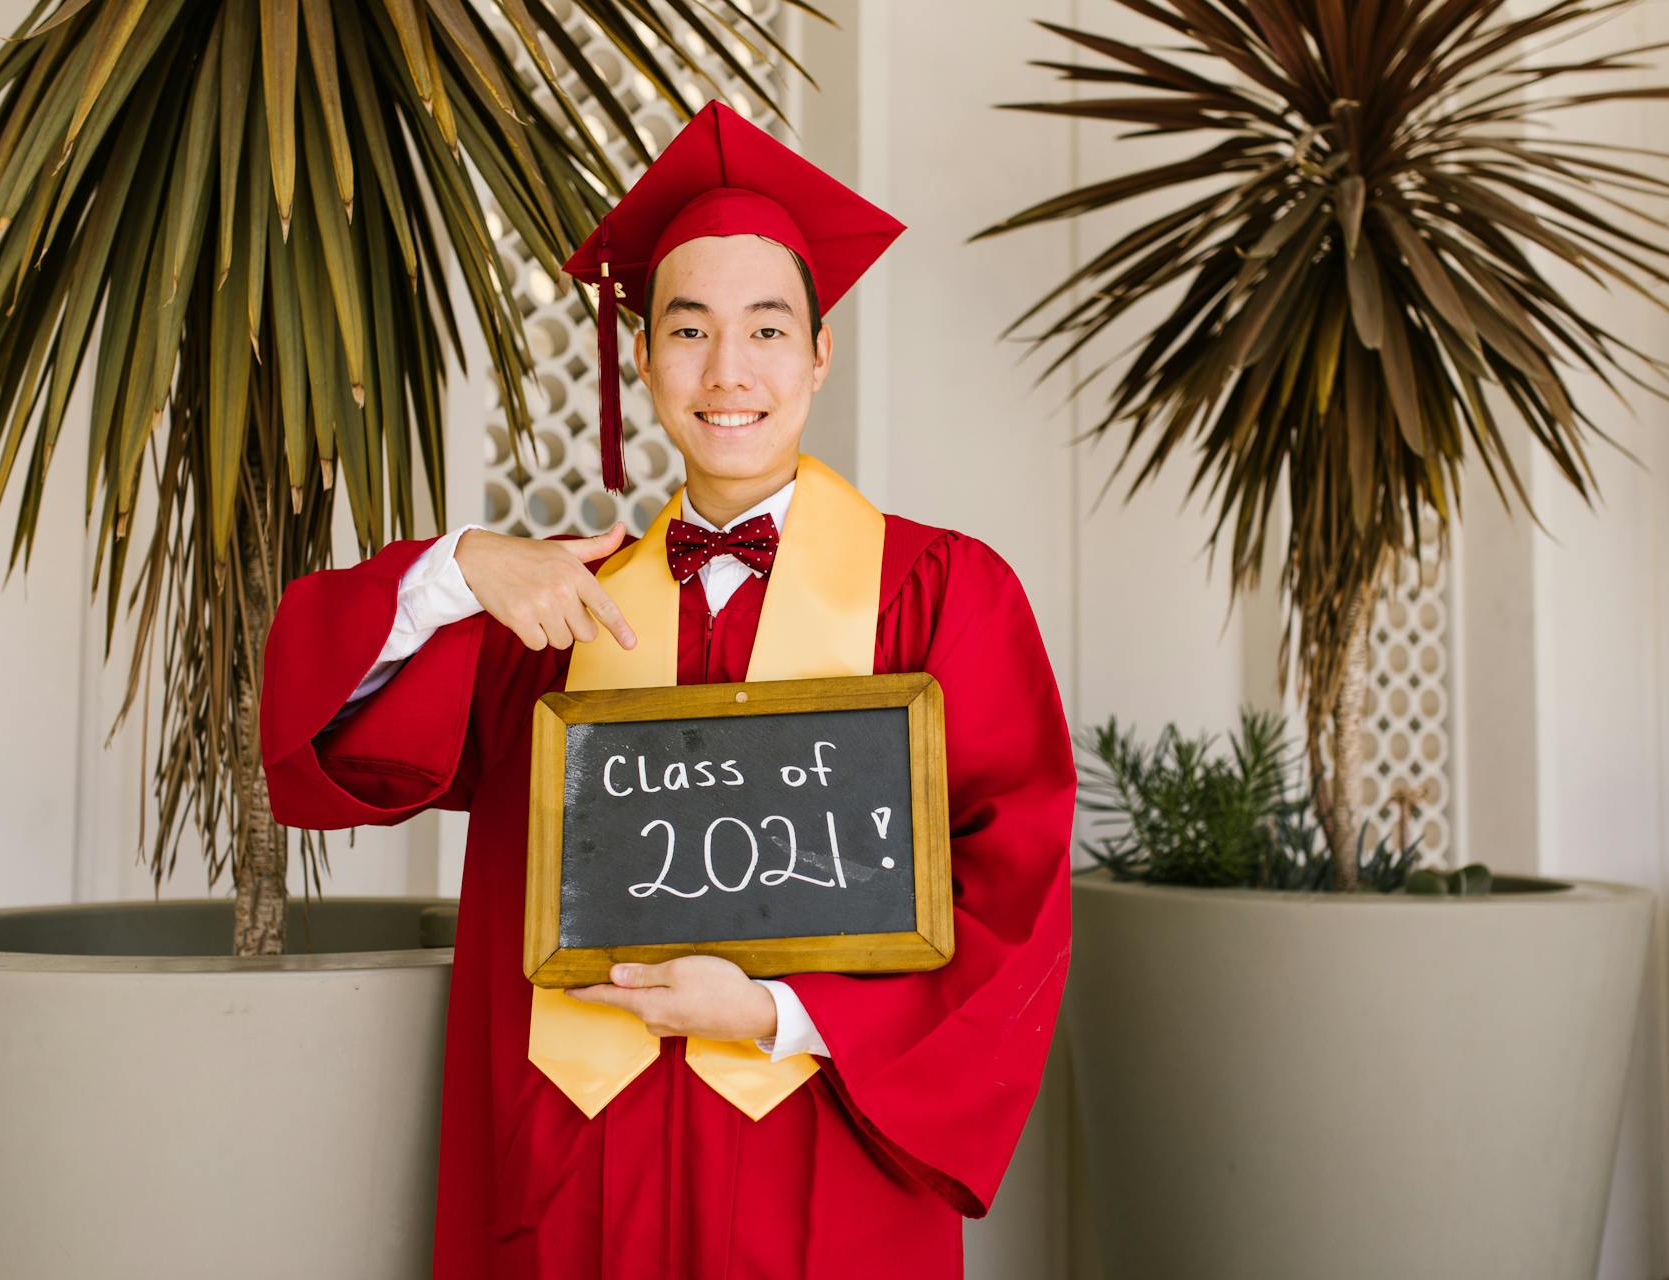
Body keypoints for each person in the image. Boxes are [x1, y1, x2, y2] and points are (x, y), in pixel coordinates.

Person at [260, 100, 1074, 1279]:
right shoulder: (553, 608)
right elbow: (326, 741)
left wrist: (780, 1013)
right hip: (587, 1169)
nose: (728, 372)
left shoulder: (942, 593)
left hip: (825, 1153)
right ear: (640, 357)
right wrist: (456, 568)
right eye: (688, 331)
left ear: (819, 353)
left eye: (766, 330)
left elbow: (1018, 893)